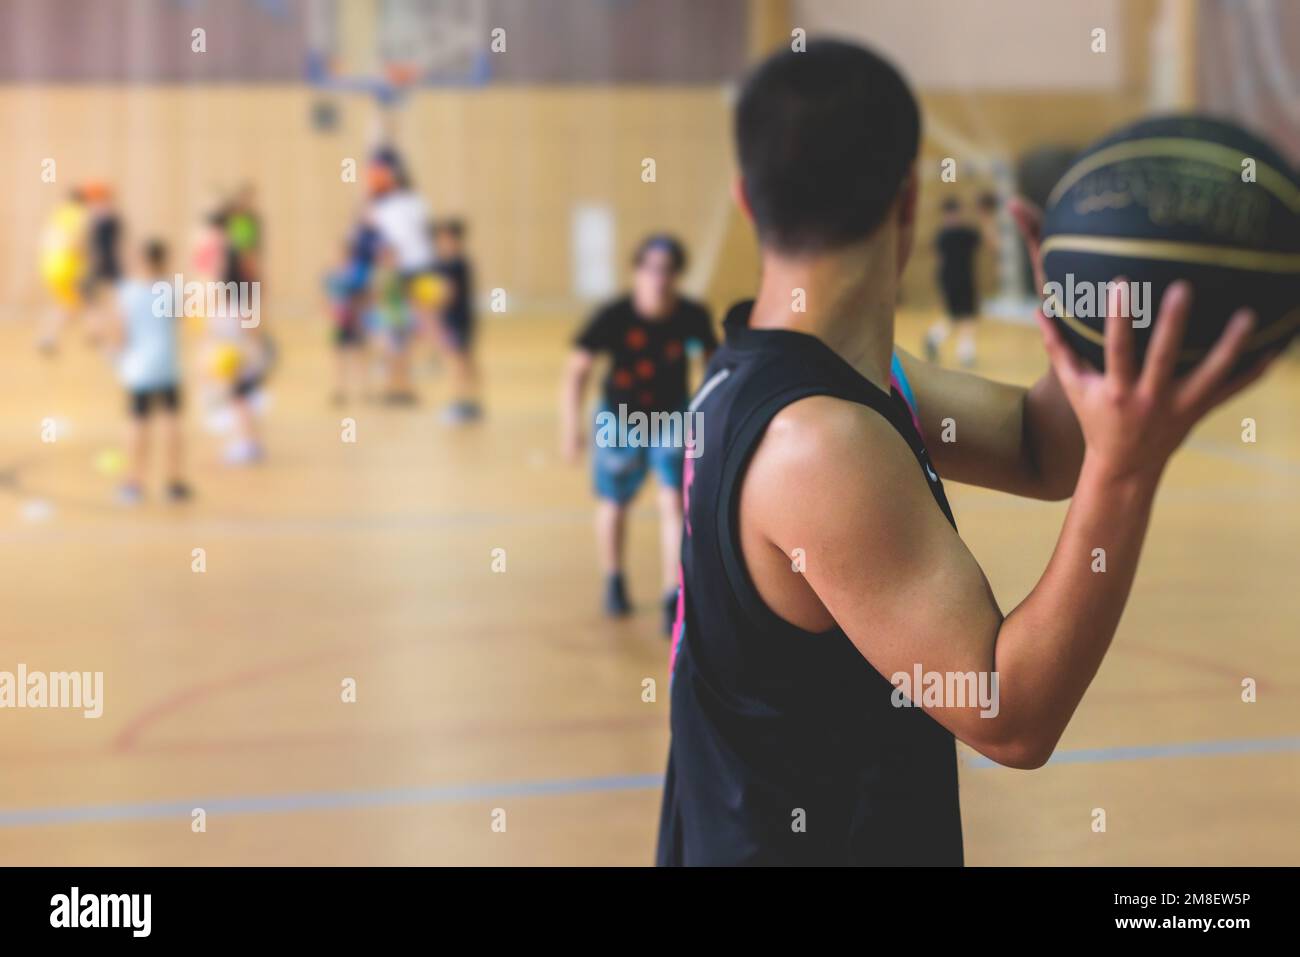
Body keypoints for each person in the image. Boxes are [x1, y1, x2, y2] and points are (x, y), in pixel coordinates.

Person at [656, 40, 1274, 866]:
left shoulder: (790, 374)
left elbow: (1036, 448)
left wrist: (1084, 305)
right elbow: (1009, 714)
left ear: (746, 199)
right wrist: (1126, 475)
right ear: (909, 197)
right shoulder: (816, 444)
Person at [560, 235, 717, 634]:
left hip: (672, 417)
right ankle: (614, 579)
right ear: (637, 271)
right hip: (619, 417)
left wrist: (713, 423)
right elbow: (577, 370)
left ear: (677, 275)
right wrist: (571, 428)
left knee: (674, 503)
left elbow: (713, 367)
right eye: (650, 269)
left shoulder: (691, 316)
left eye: (667, 271)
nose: (658, 279)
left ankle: (671, 593)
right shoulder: (614, 315)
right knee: (614, 501)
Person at [110, 239, 189, 504]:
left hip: (138, 369)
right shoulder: (171, 289)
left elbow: (120, 334)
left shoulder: (127, 292)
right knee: (171, 420)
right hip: (167, 366)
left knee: (137, 422)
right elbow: (180, 318)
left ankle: (134, 483)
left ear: (143, 260)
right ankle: (174, 483)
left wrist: (114, 353)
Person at [923, 196, 994, 367]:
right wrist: (985, 218)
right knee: (963, 317)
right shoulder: (948, 235)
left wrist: (984, 218)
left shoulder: (961, 233)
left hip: (963, 279)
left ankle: (935, 339)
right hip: (952, 280)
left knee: (961, 317)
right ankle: (963, 352)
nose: (953, 216)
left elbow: (991, 244)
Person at [431, 219, 480, 424]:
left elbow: (447, 293)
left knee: (458, 362)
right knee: (463, 361)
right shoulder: (452, 263)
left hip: (457, 320)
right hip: (459, 319)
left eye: (445, 238)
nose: (442, 242)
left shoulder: (454, 264)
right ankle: (470, 402)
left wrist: (434, 303)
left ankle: (462, 404)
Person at [37, 188, 88, 354]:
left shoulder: (58, 214)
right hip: (66, 266)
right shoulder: (80, 215)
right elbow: (76, 243)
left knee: (67, 304)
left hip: (49, 265)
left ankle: (48, 337)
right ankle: (48, 338)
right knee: (72, 304)